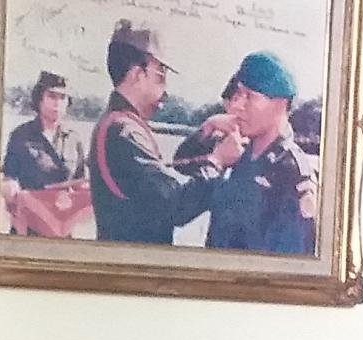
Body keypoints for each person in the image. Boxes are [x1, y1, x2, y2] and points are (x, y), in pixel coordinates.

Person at [89, 20, 244, 245]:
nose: (166, 92)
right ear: (137, 74)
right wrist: (218, 161)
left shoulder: (119, 124)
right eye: (160, 76)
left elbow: (179, 165)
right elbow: (177, 206)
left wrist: (205, 131)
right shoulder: (124, 132)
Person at [206, 53, 318, 255]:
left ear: (280, 103)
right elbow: (183, 163)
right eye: (238, 95)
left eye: (249, 96)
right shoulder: (238, 152)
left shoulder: (291, 173)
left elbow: (288, 261)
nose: (237, 105)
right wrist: (207, 127)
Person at [1, 71, 86, 198]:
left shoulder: (74, 139)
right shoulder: (21, 136)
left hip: (67, 208)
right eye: (52, 96)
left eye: (63, 97)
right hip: (32, 207)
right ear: (39, 99)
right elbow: (9, 178)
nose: (57, 103)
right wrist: (11, 190)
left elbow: (81, 182)